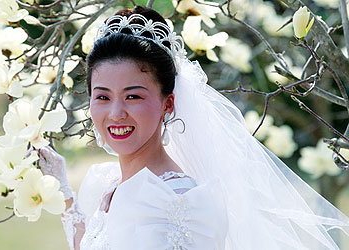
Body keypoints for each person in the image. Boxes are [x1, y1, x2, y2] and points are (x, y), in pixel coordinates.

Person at [37, 6, 349, 250]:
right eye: (102, 96)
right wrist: (63, 190)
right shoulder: (108, 184)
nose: (116, 113)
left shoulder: (180, 203)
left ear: (168, 104)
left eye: (133, 96)